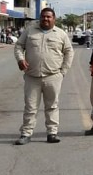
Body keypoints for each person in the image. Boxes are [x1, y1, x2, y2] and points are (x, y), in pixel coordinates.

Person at [13, 8, 74, 144]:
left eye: (48, 17)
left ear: (54, 19)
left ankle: (52, 133)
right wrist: (20, 59)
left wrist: (63, 71)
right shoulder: (30, 30)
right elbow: (18, 46)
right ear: (40, 18)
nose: (45, 19)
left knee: (52, 105)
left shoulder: (60, 34)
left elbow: (69, 52)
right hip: (32, 76)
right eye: (43, 17)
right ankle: (26, 134)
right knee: (30, 106)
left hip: (53, 76)